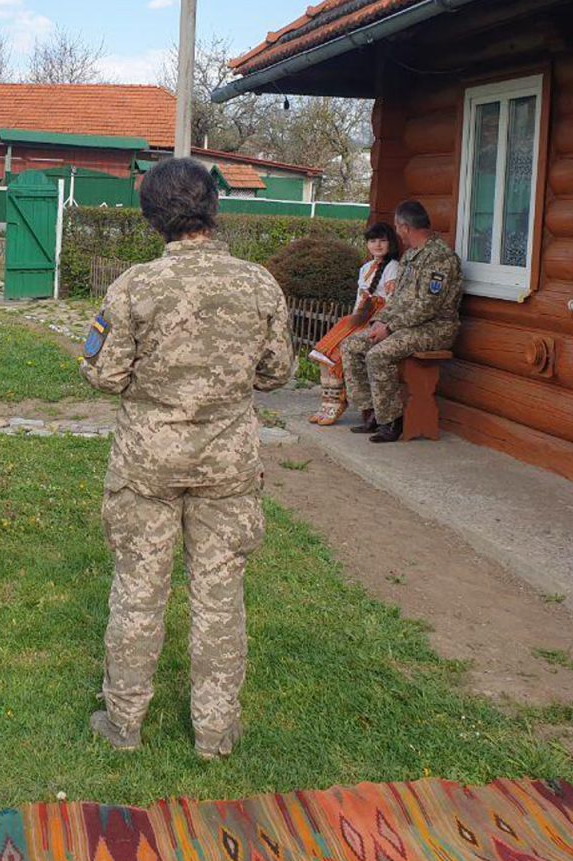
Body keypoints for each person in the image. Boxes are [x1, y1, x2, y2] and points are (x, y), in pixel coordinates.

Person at [80, 157, 294, 760]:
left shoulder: (135, 286)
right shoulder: (257, 284)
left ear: (153, 217)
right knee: (220, 597)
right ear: (212, 209)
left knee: (137, 593)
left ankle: (124, 723)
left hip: (147, 465)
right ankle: (215, 732)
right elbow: (278, 371)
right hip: (226, 465)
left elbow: (104, 371)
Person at [340, 200, 464, 443]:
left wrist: (390, 327)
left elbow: (428, 306)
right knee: (352, 345)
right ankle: (372, 412)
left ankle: (391, 421)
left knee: (378, 354)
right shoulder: (411, 257)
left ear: (405, 227)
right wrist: (379, 321)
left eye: (397, 227)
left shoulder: (440, 258)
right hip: (406, 325)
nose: (396, 232)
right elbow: (397, 298)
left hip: (434, 328)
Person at [307, 222, 402, 425]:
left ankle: (338, 402)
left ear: (391, 243)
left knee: (339, 352)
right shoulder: (366, 268)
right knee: (325, 351)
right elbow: (359, 303)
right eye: (372, 240)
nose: (377, 245)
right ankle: (327, 402)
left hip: (376, 320)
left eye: (382, 240)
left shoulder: (393, 267)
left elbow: (392, 302)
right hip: (359, 318)